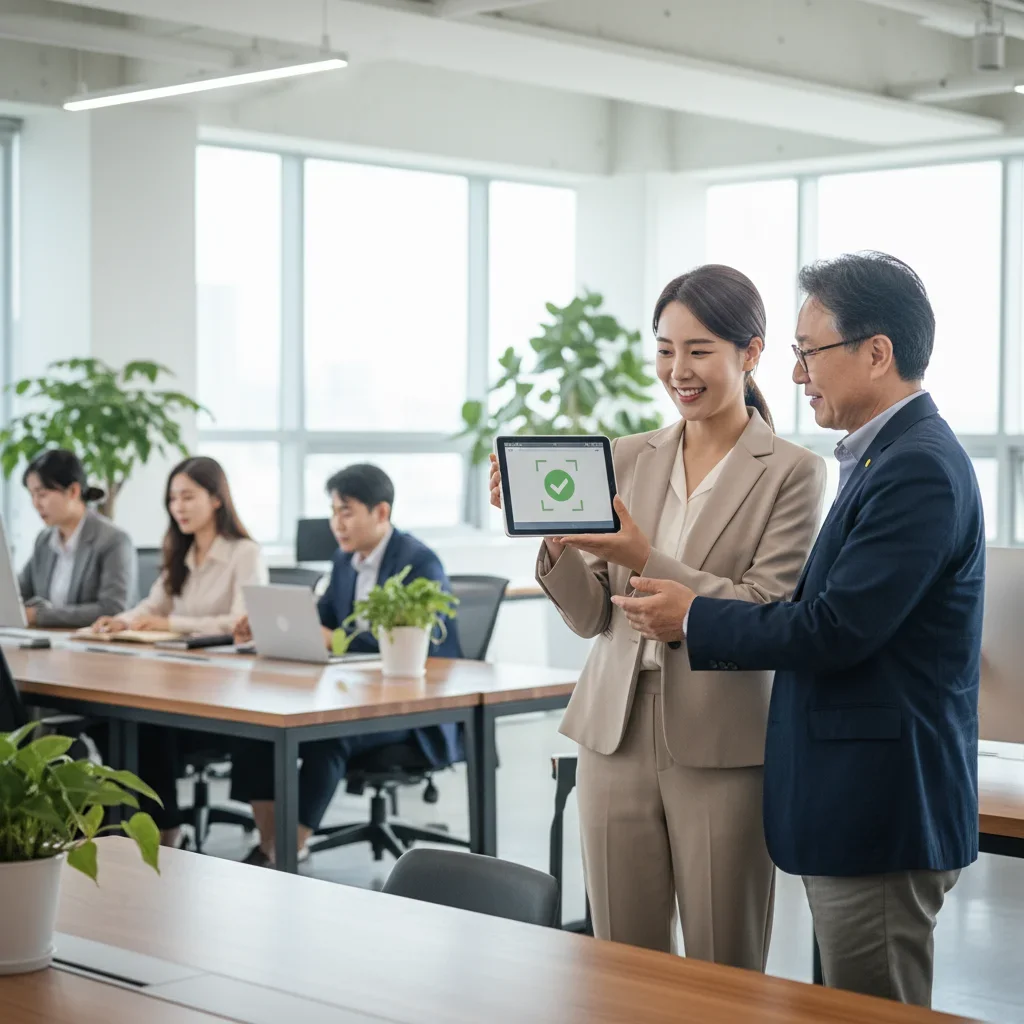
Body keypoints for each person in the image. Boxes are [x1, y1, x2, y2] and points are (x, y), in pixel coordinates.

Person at [614, 252, 983, 1007]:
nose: (795, 375)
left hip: (879, 805)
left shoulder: (915, 468)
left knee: (873, 1008)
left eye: (809, 353)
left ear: (876, 353)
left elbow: (834, 628)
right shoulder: (882, 458)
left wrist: (692, 615)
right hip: (853, 798)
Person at [490, 265, 826, 968]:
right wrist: (555, 541)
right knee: (620, 961)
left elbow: (767, 607)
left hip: (721, 733)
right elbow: (594, 617)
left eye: (699, 350)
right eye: (666, 349)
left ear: (751, 352)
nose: (678, 370)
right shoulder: (626, 457)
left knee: (723, 961)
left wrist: (646, 556)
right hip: (613, 729)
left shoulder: (792, 470)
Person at [230, 463, 463, 867]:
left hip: (412, 707)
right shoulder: (344, 560)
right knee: (257, 728)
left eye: (347, 511)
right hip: (354, 692)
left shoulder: (420, 562)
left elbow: (415, 639)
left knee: (327, 736)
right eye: (333, 511)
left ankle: (288, 850)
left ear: (381, 512)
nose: (337, 523)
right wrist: (271, 625)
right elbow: (323, 619)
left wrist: (335, 638)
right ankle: (270, 844)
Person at [92, 455, 268, 847]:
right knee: (126, 722)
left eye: (188, 497)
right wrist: (122, 620)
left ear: (216, 499)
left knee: (148, 725)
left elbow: (240, 621)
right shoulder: (180, 551)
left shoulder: (244, 553)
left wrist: (171, 624)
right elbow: (153, 605)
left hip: (226, 691)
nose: (179, 507)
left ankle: (166, 831)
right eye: (173, 499)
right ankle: (162, 827)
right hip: (177, 681)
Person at [18, 449, 136, 629]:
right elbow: (19, 591)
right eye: (32, 495)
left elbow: (113, 609)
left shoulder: (113, 540)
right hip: (50, 639)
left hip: (94, 643)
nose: (36, 504)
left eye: (42, 494)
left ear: (73, 491)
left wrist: (38, 615)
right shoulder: (44, 541)